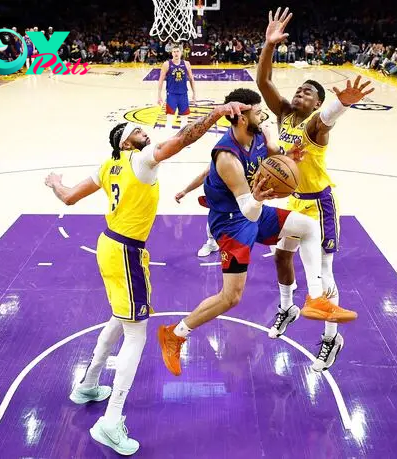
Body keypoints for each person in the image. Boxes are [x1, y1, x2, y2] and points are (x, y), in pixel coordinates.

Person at [44, 100, 250, 456]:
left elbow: (68, 197)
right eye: (138, 131)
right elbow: (184, 138)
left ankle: (89, 384)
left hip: (108, 246)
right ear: (126, 142)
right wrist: (217, 114)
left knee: (118, 318)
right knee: (137, 335)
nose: (146, 133)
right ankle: (110, 421)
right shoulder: (140, 159)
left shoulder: (107, 166)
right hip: (126, 252)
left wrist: (55, 183)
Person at [157, 88, 358, 377]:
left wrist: (290, 157)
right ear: (240, 118)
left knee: (309, 227)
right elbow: (249, 212)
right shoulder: (227, 158)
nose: (262, 114)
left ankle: (316, 298)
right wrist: (261, 197)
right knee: (230, 298)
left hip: (252, 207)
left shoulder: (260, 134)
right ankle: (175, 334)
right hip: (232, 223)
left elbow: (275, 157)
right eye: (256, 110)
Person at [256, 7, 373, 372]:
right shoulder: (286, 114)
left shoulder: (314, 125)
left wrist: (341, 104)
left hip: (320, 205)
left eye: (308, 92)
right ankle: (287, 306)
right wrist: (268, 46)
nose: (300, 93)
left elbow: (325, 120)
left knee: (323, 273)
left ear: (317, 102)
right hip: (294, 200)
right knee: (280, 255)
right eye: (299, 89)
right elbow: (263, 83)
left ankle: (330, 338)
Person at [174, 165, 220, 257]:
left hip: (238, 195)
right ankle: (212, 243)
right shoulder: (218, 155)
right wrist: (185, 191)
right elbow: (204, 174)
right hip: (220, 198)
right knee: (214, 217)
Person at [157, 44, 197, 121]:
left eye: (177, 51)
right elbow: (161, 80)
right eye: (174, 52)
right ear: (171, 53)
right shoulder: (166, 64)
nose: (176, 53)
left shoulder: (186, 64)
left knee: (184, 119)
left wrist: (194, 93)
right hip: (171, 95)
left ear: (181, 53)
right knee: (169, 119)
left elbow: (191, 79)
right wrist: (159, 96)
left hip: (183, 94)